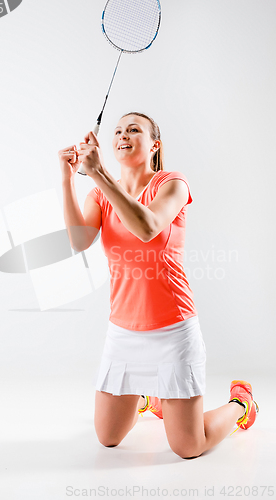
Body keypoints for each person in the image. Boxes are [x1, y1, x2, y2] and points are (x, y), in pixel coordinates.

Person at [58, 112, 259, 459]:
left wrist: (100, 173)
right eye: (118, 130)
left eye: (134, 129)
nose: (123, 135)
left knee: (188, 446)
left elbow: (148, 227)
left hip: (173, 331)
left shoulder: (172, 183)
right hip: (122, 332)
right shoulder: (100, 194)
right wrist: (66, 179)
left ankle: (242, 405)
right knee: (107, 438)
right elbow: (79, 242)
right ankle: (149, 398)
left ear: (154, 145)